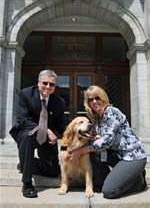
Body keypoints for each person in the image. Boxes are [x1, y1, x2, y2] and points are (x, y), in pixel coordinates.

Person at [68, 85, 147, 199]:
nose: (94, 101)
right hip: (117, 156)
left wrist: (80, 151)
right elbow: (98, 141)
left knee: (109, 191)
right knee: (93, 153)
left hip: (133, 157)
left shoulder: (112, 112)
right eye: (91, 99)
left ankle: (139, 181)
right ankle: (104, 181)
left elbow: (107, 140)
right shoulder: (96, 118)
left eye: (97, 98)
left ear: (103, 98)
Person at [9, 69, 66, 198]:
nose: (48, 87)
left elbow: (61, 127)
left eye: (52, 84)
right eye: (45, 83)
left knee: (53, 172)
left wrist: (75, 136)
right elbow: (23, 120)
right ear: (38, 82)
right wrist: (46, 130)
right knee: (27, 137)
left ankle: (26, 164)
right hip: (28, 131)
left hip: (47, 139)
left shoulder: (59, 102)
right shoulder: (25, 94)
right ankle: (27, 183)